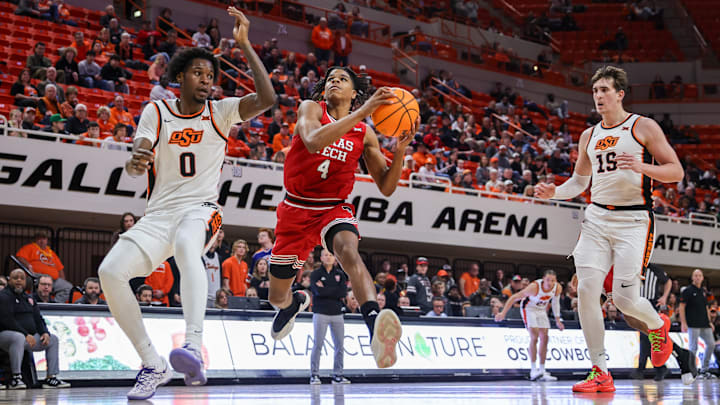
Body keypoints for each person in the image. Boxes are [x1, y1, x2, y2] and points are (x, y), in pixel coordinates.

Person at [96, 7, 275, 400]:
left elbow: (267, 98)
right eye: (199, 73)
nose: (207, 81)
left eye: (211, 76)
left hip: (201, 210)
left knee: (185, 245)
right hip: (158, 214)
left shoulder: (221, 111)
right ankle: (152, 363)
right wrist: (136, 158)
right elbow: (140, 147)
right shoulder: (158, 110)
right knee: (109, 272)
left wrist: (244, 45)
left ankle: (193, 346)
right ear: (179, 77)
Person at [535, 66, 683, 393]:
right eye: (595, 91)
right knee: (587, 290)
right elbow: (578, 182)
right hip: (597, 218)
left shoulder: (642, 126)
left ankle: (658, 327)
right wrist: (553, 191)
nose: (598, 96)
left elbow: (676, 171)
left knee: (625, 300)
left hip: (634, 221)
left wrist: (642, 166)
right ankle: (600, 370)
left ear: (620, 94)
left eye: (604, 90)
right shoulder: (589, 135)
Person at [267, 66, 414, 370]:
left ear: (354, 93)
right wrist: (363, 112)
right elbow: (312, 141)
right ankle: (293, 303)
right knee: (275, 296)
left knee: (348, 250)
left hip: (334, 207)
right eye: (331, 78)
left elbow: (386, 187)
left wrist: (399, 153)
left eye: (342, 79)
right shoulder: (311, 108)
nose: (334, 81)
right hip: (296, 209)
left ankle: (375, 326)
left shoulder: (365, 132)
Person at [0, 269, 70, 389]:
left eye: (22, 278)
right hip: (6, 336)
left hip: (29, 338)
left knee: (53, 339)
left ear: (25, 282)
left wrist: (45, 332)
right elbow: (7, 320)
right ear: (9, 280)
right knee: (18, 337)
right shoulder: (4, 296)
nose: (18, 281)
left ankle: (51, 377)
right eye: (15, 278)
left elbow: (38, 319)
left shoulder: (28, 298)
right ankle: (16, 378)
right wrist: (25, 334)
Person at [495, 270, 564, 381]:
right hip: (529, 308)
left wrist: (557, 319)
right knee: (534, 337)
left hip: (541, 310)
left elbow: (556, 303)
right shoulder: (534, 287)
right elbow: (514, 297)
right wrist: (503, 313)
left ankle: (542, 370)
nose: (550, 283)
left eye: (552, 280)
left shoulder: (557, 288)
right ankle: (533, 370)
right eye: (548, 280)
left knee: (545, 338)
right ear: (543, 279)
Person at [309, 249, 350, 385]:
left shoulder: (340, 274)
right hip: (320, 312)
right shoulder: (315, 274)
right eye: (325, 255)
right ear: (321, 258)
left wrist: (326, 289)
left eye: (331, 255)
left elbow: (343, 292)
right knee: (318, 344)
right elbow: (317, 291)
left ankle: (338, 375)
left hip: (337, 313)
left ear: (335, 258)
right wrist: (333, 290)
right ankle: (314, 374)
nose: (328, 257)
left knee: (340, 345)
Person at [631, 263, 672, 381]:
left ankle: (643, 368)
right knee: (647, 337)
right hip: (637, 305)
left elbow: (668, 281)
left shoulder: (654, 269)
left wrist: (664, 297)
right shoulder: (634, 267)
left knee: (648, 336)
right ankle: (658, 368)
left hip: (651, 305)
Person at [15, 231, 73, 304]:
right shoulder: (30, 247)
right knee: (44, 280)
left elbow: (60, 269)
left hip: (53, 280)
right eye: (39, 239)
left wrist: (62, 280)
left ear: (47, 240)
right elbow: (20, 258)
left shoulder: (51, 253)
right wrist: (28, 265)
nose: (42, 241)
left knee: (68, 286)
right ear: (35, 240)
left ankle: (54, 305)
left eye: (44, 238)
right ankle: (38, 303)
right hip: (35, 277)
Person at [679, 269, 717, 379]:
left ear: (702, 278)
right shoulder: (687, 291)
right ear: (692, 277)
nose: (698, 277)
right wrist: (683, 323)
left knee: (711, 344)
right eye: (695, 275)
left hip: (705, 324)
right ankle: (692, 372)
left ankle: (704, 371)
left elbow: (706, 308)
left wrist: (709, 321)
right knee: (693, 348)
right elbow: (681, 307)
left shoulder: (703, 291)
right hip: (692, 324)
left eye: (699, 275)